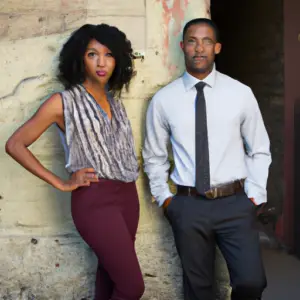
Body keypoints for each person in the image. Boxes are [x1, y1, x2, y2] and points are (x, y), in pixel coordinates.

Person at [5, 24, 145, 300]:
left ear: (119, 59)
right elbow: (15, 144)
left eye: (109, 55)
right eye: (92, 54)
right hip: (95, 200)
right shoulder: (63, 102)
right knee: (132, 287)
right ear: (80, 58)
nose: (101, 62)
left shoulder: (114, 101)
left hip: (128, 196)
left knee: (110, 279)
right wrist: (61, 182)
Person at [142, 18, 271, 300]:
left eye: (207, 41)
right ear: (183, 47)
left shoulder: (240, 93)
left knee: (251, 282)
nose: (199, 48)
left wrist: (255, 195)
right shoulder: (164, 100)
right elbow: (154, 156)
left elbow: (259, 148)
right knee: (199, 290)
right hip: (188, 205)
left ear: (217, 48)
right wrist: (167, 200)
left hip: (235, 204)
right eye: (192, 41)